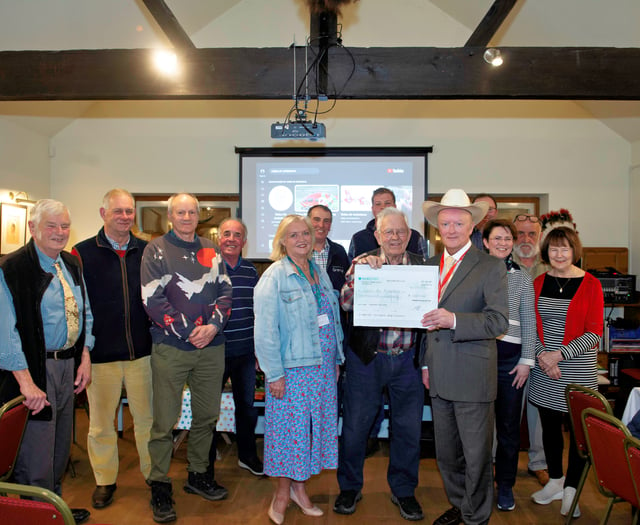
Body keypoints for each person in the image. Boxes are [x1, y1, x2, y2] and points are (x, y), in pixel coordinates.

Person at [0, 199, 94, 525]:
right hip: (33, 370)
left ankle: (54, 510)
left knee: (58, 449)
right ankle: (31, 515)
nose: (59, 232)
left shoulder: (70, 263)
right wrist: (26, 383)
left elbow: (85, 313)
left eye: (64, 226)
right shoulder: (11, 269)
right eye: (51, 226)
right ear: (33, 228)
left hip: (68, 368)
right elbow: (6, 332)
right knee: (34, 455)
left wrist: (84, 357)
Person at [141, 193, 232, 523]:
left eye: (191, 212)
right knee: (164, 422)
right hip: (171, 348)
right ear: (170, 216)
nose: (186, 217)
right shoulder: (156, 250)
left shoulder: (212, 249)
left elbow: (225, 290)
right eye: (180, 212)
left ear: (199, 216)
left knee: (206, 417)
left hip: (212, 347)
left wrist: (211, 328)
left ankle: (198, 475)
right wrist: (189, 331)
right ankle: (160, 484)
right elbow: (152, 299)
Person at [420, 189, 509, 525]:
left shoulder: (490, 266)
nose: (452, 229)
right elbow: (421, 321)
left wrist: (454, 319)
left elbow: (498, 320)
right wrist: (426, 364)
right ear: (437, 228)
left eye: (459, 222)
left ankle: (476, 518)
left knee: (477, 457)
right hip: (438, 376)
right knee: (447, 456)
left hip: (472, 377)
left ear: (472, 226)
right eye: (446, 223)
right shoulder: (428, 266)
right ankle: (460, 506)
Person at [334, 207, 426, 522]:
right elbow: (345, 303)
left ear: (410, 235)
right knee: (355, 428)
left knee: (408, 430)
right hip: (366, 361)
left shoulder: (422, 268)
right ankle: (349, 488)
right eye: (389, 232)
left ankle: (404, 491)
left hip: (408, 362)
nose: (396, 237)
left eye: (401, 231)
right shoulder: (362, 264)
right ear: (377, 235)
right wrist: (364, 279)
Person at [254, 214, 344, 524]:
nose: (302, 238)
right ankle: (282, 494)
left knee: (310, 433)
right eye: (293, 235)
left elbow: (331, 320)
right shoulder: (275, 276)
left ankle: (300, 490)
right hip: (291, 371)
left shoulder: (318, 272)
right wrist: (273, 373)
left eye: (305, 232)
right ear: (282, 241)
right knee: (288, 435)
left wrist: (335, 360)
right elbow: (265, 331)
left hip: (322, 368)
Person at [72, 188, 153, 509]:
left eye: (129, 211)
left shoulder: (147, 251)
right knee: (101, 425)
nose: (124, 217)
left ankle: (153, 475)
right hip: (100, 356)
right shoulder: (80, 254)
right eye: (118, 211)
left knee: (148, 421)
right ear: (103, 214)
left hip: (142, 354)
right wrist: (84, 353)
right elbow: (77, 307)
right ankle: (105, 480)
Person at [528, 226, 604, 519]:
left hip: (576, 369)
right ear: (546, 252)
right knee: (549, 428)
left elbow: (595, 332)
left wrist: (559, 355)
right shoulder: (537, 282)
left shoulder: (591, 284)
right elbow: (530, 325)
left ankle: (572, 488)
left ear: (575, 251)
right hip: (544, 367)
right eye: (554, 249)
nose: (559, 254)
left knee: (578, 433)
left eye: (565, 249)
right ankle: (556, 481)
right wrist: (543, 357)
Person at [482, 219, 536, 512]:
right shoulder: (473, 271)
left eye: (507, 239)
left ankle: (505, 485)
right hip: (479, 358)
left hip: (512, 362)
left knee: (508, 429)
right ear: (486, 242)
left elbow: (529, 320)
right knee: (478, 428)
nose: (503, 243)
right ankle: (477, 484)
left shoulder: (522, 277)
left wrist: (527, 361)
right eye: (497, 238)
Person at [207, 218, 263, 477]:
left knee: (247, 409)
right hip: (213, 352)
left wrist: (257, 351)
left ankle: (247, 456)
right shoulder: (206, 269)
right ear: (219, 239)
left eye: (237, 235)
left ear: (244, 241)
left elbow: (257, 312)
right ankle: (204, 464)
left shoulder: (251, 271)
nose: (231, 239)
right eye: (226, 233)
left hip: (244, 353)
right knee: (208, 410)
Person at [512, 213, 550, 486]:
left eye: (531, 234)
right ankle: (497, 462)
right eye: (520, 234)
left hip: (543, 351)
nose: (526, 239)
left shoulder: (551, 269)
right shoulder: (500, 266)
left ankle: (539, 463)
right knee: (505, 411)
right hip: (511, 349)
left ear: (540, 238)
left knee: (539, 410)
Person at [348, 187, 424, 260]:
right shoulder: (358, 238)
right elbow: (351, 269)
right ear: (372, 209)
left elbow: (426, 267)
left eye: (387, 203)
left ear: (394, 206)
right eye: (378, 204)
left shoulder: (415, 237)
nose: (383, 207)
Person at [307, 204, 350, 292]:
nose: (321, 225)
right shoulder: (299, 251)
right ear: (307, 222)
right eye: (317, 219)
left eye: (326, 221)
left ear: (330, 225)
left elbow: (347, 285)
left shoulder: (339, 251)